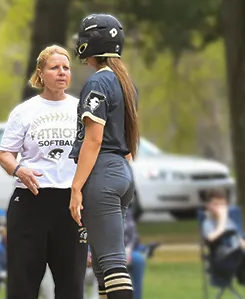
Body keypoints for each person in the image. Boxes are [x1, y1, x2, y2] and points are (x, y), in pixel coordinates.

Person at [0, 45, 88, 299]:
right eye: (55, 68)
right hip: (31, 200)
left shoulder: (80, 109)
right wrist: (19, 170)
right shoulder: (25, 111)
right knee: (23, 283)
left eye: (66, 68)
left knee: (71, 284)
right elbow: (5, 154)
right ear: (41, 73)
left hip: (70, 202)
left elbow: (93, 149)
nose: (62, 73)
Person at [68, 14, 139, 299]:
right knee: (100, 266)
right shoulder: (126, 83)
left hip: (102, 175)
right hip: (122, 171)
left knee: (111, 263)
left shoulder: (98, 84)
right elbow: (130, 139)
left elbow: (94, 140)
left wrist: (76, 187)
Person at [202, 188, 245, 273]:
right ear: (208, 206)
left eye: (222, 205)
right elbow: (210, 239)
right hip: (225, 256)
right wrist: (222, 220)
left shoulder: (229, 221)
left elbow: (237, 236)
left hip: (240, 249)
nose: (219, 208)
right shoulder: (208, 222)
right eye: (216, 204)